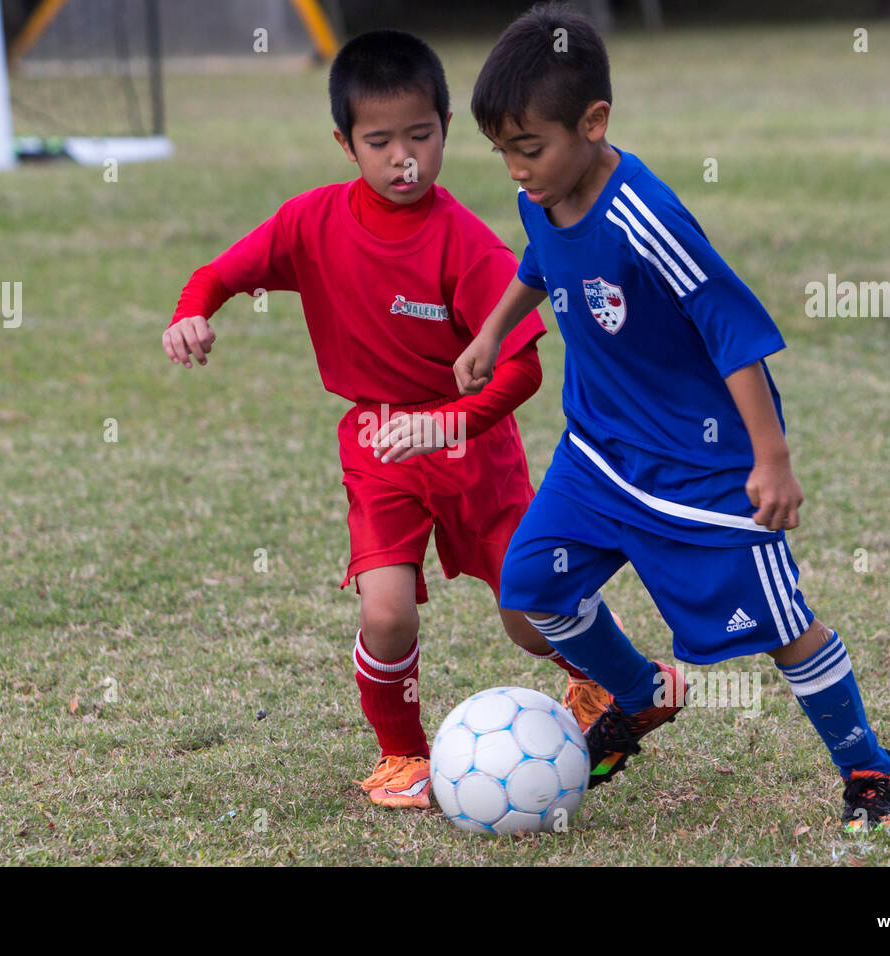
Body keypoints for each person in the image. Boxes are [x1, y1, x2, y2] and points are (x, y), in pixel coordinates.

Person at [455, 2, 890, 831]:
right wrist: (494, 328)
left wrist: (770, 461)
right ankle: (640, 694)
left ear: (594, 123)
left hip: (698, 471)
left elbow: (732, 331)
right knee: (531, 592)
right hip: (597, 454)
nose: (516, 170)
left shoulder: (649, 217)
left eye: (530, 148)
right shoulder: (541, 194)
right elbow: (541, 256)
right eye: (503, 153)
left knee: (781, 629)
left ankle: (870, 769)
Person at [163, 29, 612, 810]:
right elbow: (219, 273)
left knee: (530, 612)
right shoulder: (310, 223)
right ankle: (402, 753)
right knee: (386, 609)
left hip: (474, 447)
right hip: (377, 445)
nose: (404, 158)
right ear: (344, 142)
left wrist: (452, 425)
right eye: (379, 141)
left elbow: (525, 366)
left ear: (445, 126)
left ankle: (599, 682)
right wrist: (191, 314)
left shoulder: (466, 244)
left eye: (422, 136)